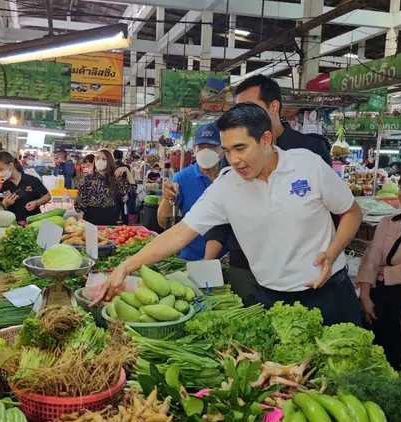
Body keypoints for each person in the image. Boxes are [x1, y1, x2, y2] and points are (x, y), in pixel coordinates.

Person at [94, 103, 363, 325]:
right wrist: (126, 266)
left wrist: (332, 251)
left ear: (266, 139)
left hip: (331, 293)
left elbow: (351, 212)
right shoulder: (226, 185)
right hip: (273, 299)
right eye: (227, 151)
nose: (233, 159)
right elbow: (179, 234)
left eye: (241, 148)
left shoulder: (308, 165)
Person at [203, 74, 336, 305]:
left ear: (273, 107)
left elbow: (335, 210)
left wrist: (330, 255)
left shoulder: (310, 150)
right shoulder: (233, 158)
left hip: (299, 270)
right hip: (245, 266)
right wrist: (207, 260)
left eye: (250, 107)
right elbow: (220, 215)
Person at [356, 169, 401, 369]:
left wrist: (382, 272)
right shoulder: (387, 222)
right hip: (377, 294)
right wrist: (365, 295)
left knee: (397, 356)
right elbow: (371, 258)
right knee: (373, 355)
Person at [157, 123, 225, 261]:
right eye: (201, 147)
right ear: (194, 150)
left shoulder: (230, 177)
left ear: (222, 150)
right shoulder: (182, 178)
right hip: (190, 259)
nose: (205, 151)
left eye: (211, 147)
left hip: (227, 258)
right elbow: (163, 222)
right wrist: (167, 198)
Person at [76, 149, 134, 225]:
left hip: (111, 218)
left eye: (104, 159)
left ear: (109, 161)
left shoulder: (115, 179)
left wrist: (127, 170)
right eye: (97, 158)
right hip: (91, 218)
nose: (100, 161)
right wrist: (79, 223)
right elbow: (81, 204)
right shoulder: (86, 180)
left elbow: (132, 187)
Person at [0, 151, 52, 222]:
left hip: (33, 224)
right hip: (12, 226)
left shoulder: (32, 180)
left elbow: (48, 196)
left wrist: (37, 203)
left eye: (0, 169)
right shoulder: (3, 185)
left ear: (11, 166)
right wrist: (4, 204)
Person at [113, 150, 134, 224]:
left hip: (114, 192)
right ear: (122, 157)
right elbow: (129, 181)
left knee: (115, 211)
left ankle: (115, 226)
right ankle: (125, 226)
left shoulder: (111, 167)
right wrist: (127, 193)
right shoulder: (126, 167)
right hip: (124, 192)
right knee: (125, 211)